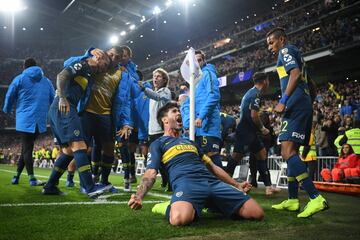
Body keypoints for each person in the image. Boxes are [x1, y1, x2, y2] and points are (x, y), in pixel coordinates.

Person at [128, 102, 264, 226]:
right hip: (187, 184)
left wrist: (236, 184)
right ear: (165, 120)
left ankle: (211, 203)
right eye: (174, 111)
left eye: (179, 111)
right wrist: (139, 196)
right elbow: (151, 172)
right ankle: (167, 206)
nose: (179, 113)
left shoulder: (191, 143)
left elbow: (213, 167)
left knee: (256, 213)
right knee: (179, 220)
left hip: (211, 182)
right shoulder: (158, 144)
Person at [266, 27, 328, 217]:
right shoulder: (297, 54)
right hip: (303, 104)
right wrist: (308, 104)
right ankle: (293, 199)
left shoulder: (285, 51)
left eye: (271, 42)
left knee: (287, 152)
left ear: (281, 39)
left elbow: (294, 74)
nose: (269, 47)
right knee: (290, 153)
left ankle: (315, 197)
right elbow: (312, 85)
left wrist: (283, 101)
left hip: (294, 106)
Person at [63, 46, 134, 192]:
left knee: (109, 149)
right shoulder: (96, 62)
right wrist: (88, 54)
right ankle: (75, 179)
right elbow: (67, 64)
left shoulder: (123, 75)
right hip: (87, 112)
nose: (111, 57)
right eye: (110, 54)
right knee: (80, 149)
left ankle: (104, 181)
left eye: (115, 56)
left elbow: (125, 101)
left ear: (120, 59)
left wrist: (126, 122)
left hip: (106, 115)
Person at [42, 54, 112, 198]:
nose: (105, 69)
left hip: (61, 108)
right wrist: (62, 98)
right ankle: (90, 187)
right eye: (105, 65)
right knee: (80, 147)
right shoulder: (82, 65)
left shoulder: (89, 73)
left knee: (68, 152)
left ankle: (50, 186)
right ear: (99, 58)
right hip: (65, 107)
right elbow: (62, 75)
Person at [226, 72, 280, 196]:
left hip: (248, 130)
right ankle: (223, 183)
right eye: (268, 80)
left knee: (261, 154)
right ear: (265, 81)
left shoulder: (250, 93)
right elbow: (254, 115)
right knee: (236, 157)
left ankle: (268, 187)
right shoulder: (255, 94)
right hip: (246, 131)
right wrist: (262, 128)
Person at [3, 58, 55, 186]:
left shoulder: (19, 78)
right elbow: (53, 98)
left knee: (27, 149)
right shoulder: (46, 81)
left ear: (24, 66)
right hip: (40, 121)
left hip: (24, 119)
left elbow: (10, 95)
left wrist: (7, 109)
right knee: (26, 149)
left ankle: (32, 178)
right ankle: (16, 176)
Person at [138, 68, 172, 189]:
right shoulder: (152, 93)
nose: (155, 78)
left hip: (162, 131)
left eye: (158, 76)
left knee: (165, 159)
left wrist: (143, 89)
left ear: (164, 80)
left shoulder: (165, 91)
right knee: (156, 159)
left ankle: (170, 182)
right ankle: (165, 180)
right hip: (152, 131)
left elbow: (158, 97)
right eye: (154, 76)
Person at [194, 50, 222, 168]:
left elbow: (214, 95)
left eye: (199, 60)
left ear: (204, 61)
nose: (197, 63)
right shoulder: (196, 79)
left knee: (211, 156)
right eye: (194, 61)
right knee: (203, 159)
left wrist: (201, 116)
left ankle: (224, 185)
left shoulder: (208, 73)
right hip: (199, 127)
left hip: (208, 124)